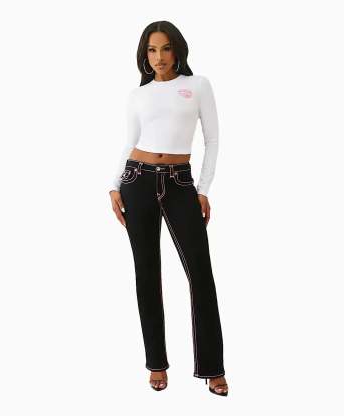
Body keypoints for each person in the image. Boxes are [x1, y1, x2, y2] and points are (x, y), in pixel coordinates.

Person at [109, 21, 228, 396]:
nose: (158, 57)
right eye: (151, 50)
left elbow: (212, 139)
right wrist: (114, 184)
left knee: (200, 274)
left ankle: (213, 368)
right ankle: (156, 364)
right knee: (146, 274)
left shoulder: (198, 86)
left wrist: (203, 190)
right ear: (144, 55)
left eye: (165, 48)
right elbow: (130, 141)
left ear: (177, 50)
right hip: (136, 180)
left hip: (180, 183)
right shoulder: (138, 94)